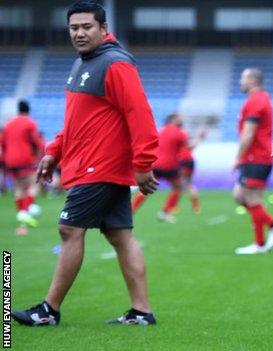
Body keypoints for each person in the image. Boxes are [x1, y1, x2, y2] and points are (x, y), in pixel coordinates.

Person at [11, 0, 159, 326]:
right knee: (120, 235)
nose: (79, 33)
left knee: (69, 229)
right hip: (92, 165)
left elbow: (141, 115)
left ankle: (48, 310)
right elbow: (77, 122)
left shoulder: (115, 64)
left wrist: (144, 163)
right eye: (74, 28)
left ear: (103, 28)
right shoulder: (82, 64)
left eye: (86, 27)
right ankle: (142, 311)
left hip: (100, 167)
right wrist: (54, 152)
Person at [233, 68, 273, 255]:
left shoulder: (256, 101)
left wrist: (238, 157)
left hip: (255, 158)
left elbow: (249, 133)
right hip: (257, 157)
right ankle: (272, 226)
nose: (240, 82)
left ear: (252, 81)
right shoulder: (260, 99)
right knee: (240, 196)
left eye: (243, 78)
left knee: (250, 198)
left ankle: (263, 239)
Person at [132, 113, 187, 223]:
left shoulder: (159, 130)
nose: (181, 121)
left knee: (145, 189)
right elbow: (187, 147)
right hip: (170, 166)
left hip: (155, 164)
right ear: (172, 120)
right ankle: (165, 213)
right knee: (178, 187)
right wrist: (200, 138)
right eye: (179, 119)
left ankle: (130, 211)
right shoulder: (180, 133)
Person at [2, 100, 43, 234]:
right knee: (34, 185)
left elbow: (2, 143)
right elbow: (36, 142)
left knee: (19, 187)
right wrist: (40, 156)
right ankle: (25, 213)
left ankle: (21, 214)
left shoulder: (8, 123)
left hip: (10, 159)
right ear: (28, 110)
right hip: (25, 158)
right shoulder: (30, 122)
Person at [178, 127, 207, 214]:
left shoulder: (179, 141)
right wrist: (199, 136)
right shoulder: (186, 141)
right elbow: (193, 144)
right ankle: (196, 207)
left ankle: (173, 206)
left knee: (181, 184)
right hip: (190, 162)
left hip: (183, 161)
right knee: (188, 184)